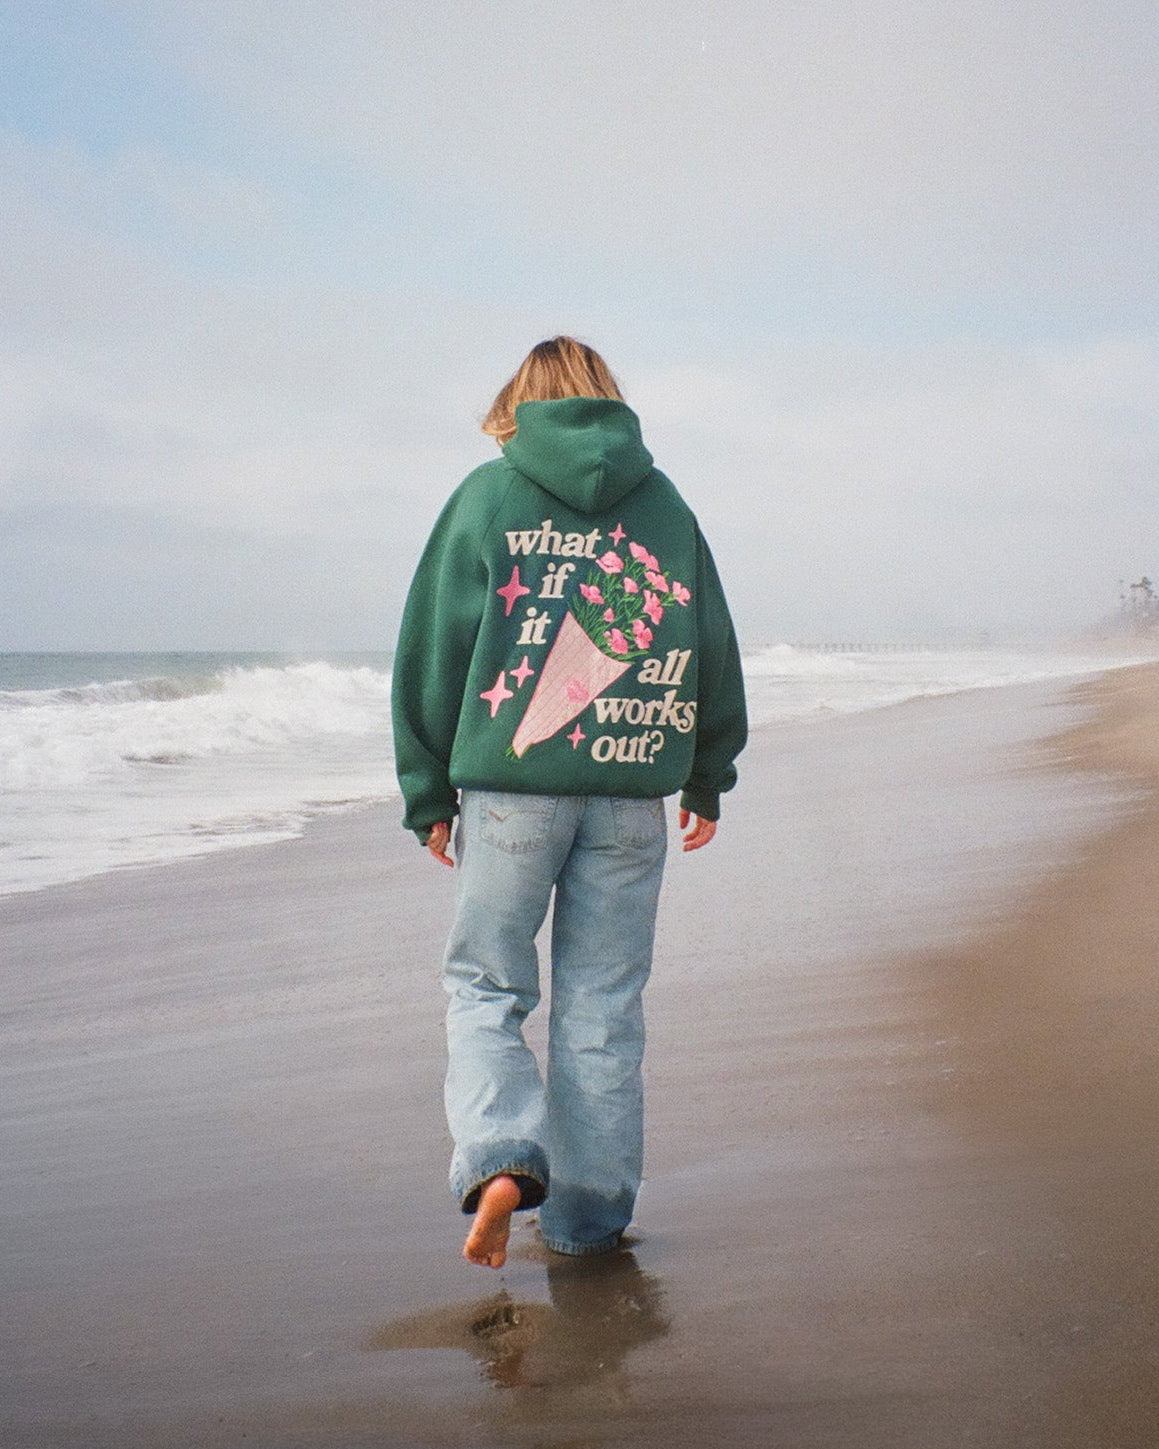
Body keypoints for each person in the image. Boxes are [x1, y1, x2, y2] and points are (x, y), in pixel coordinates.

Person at [392, 337, 746, 1267]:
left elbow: (434, 641)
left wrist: (425, 784)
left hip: (512, 794)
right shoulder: (663, 504)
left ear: (520, 403)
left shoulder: (487, 495)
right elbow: (710, 639)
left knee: (486, 986)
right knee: (602, 1006)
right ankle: (588, 1221)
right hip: (631, 795)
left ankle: (503, 1154)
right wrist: (708, 771)